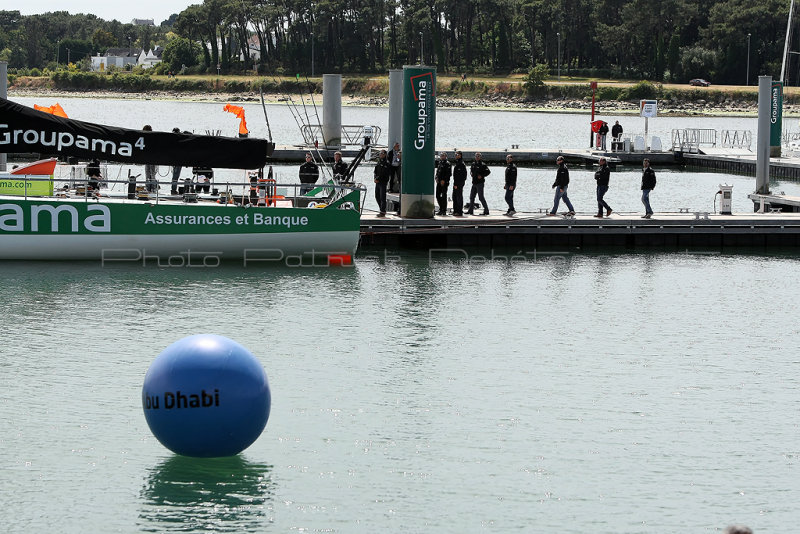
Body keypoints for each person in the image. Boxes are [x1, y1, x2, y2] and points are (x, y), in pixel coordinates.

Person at [373, 149, 391, 216]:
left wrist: (378, 179)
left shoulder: (387, 163)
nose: (381, 154)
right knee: (377, 196)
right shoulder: (379, 162)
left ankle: (382, 211)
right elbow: (375, 171)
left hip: (383, 182)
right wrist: (375, 178)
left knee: (382, 197)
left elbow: (384, 173)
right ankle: (381, 209)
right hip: (377, 182)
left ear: (385, 154)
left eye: (382, 153)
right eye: (380, 153)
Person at [142, 124, 158, 192]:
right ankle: (148, 187)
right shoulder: (144, 138)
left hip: (152, 159)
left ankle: (153, 187)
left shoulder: (153, 137)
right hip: (147, 158)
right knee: (148, 173)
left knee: (152, 173)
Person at [452, 151, 467, 216]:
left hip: (459, 184)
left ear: (460, 155)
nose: (456, 156)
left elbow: (463, 176)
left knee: (458, 197)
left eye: (457, 155)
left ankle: (459, 211)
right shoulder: (457, 163)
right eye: (455, 154)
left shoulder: (461, 164)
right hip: (455, 183)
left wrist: (458, 184)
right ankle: (455, 210)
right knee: (454, 197)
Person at [170, 127, 182, 194]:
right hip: (177, 161)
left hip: (176, 160)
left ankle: (173, 189)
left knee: (175, 176)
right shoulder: (178, 140)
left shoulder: (173, 140)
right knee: (175, 176)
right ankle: (173, 190)